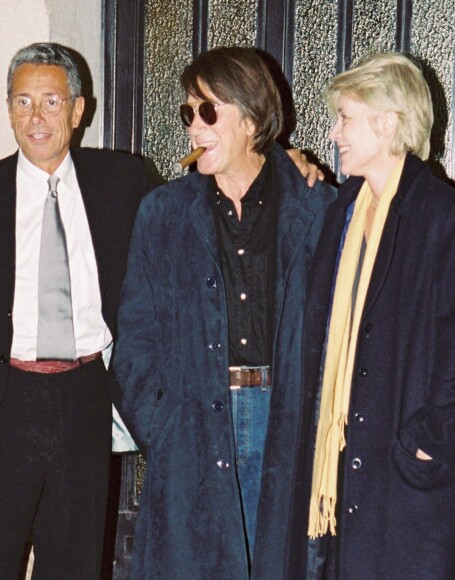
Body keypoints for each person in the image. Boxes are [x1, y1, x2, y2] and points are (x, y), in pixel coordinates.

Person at [113, 46, 337, 578]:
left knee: (286, 564)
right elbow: (135, 334)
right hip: (192, 422)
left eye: (208, 111)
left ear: (253, 118)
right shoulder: (164, 212)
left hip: (287, 419)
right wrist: (161, 422)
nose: (194, 127)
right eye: (188, 113)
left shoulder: (317, 207)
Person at [0, 42, 153, 578]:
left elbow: (201, 211)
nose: (36, 118)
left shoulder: (125, 185)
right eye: (23, 102)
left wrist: (280, 161)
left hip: (85, 398)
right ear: (8, 109)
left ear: (79, 111)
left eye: (51, 102)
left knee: (77, 563)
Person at [299, 52, 455, 578]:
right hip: (356, 476)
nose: (335, 131)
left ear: (386, 123)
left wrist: (423, 444)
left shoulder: (447, 217)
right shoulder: (344, 210)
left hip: (414, 483)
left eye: (346, 117)